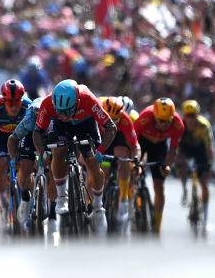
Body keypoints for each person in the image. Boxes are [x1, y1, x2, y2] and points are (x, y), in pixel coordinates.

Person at [32, 79, 117, 233]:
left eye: (67, 110)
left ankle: (98, 207)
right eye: (59, 110)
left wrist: (101, 151)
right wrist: (41, 151)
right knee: (57, 151)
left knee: (91, 161)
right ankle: (62, 195)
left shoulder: (88, 99)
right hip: (60, 126)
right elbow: (37, 132)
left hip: (86, 123)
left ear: (77, 102)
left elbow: (111, 127)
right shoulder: (48, 104)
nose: (63, 114)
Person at [0, 78, 31, 227]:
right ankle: (2, 203)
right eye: (10, 103)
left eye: (17, 103)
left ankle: (29, 198)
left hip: (21, 135)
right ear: (4, 101)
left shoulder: (28, 106)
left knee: (27, 165)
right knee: (0, 164)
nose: (14, 107)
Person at [133, 97, 185, 233]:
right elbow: (133, 143)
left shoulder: (178, 125)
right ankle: (130, 204)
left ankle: (157, 228)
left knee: (159, 186)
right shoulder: (145, 117)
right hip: (141, 143)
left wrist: (166, 165)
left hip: (160, 147)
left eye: (167, 121)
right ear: (154, 116)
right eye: (160, 120)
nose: (164, 124)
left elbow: (173, 150)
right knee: (135, 170)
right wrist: (137, 163)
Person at [8, 95, 49, 228]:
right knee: (25, 167)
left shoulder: (55, 119)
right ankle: (25, 197)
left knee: (54, 163)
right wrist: (14, 159)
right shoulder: (29, 120)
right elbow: (12, 139)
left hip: (50, 135)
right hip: (30, 135)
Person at [99, 96, 140, 226]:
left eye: (116, 120)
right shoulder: (96, 111)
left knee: (123, 158)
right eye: (110, 119)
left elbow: (134, 146)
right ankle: (98, 199)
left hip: (118, 138)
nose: (113, 122)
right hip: (101, 138)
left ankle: (123, 200)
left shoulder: (126, 120)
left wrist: (135, 162)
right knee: (103, 172)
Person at [178, 100, 214, 225]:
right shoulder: (180, 125)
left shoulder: (204, 126)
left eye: (194, 115)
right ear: (184, 116)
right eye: (188, 115)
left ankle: (206, 215)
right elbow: (176, 146)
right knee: (182, 164)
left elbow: (210, 149)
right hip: (186, 147)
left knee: (204, 182)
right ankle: (184, 190)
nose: (191, 119)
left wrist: (210, 167)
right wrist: (178, 162)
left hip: (200, 150)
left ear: (198, 115)